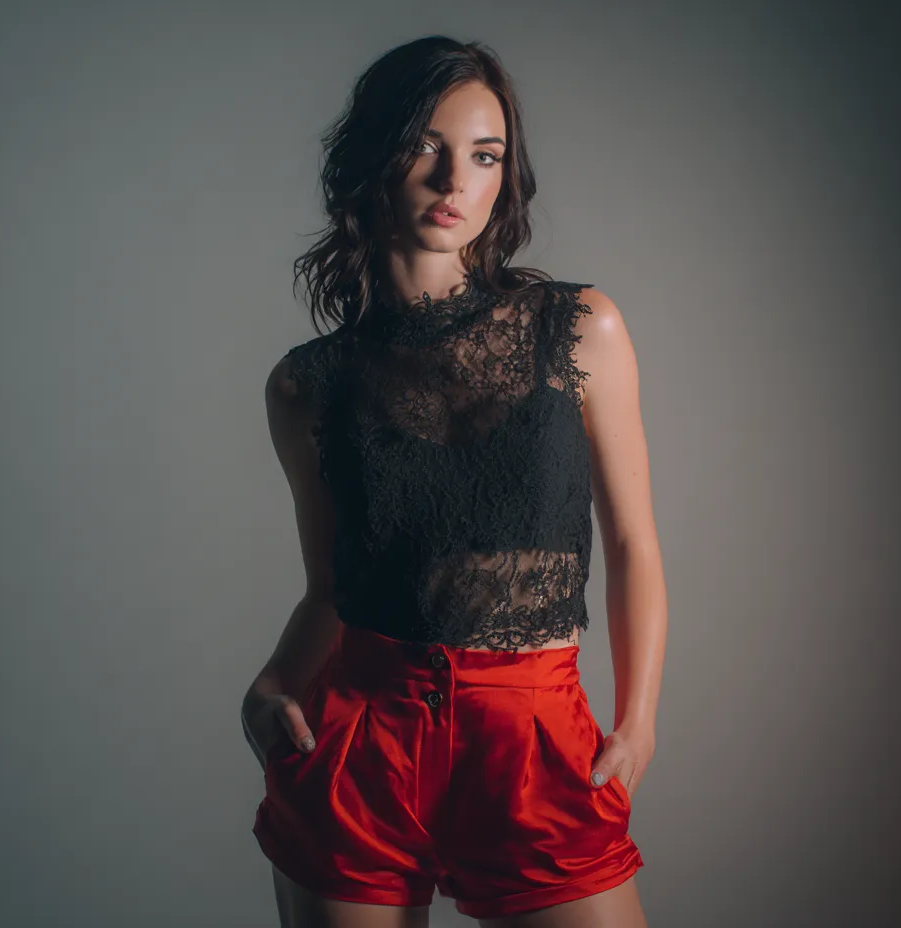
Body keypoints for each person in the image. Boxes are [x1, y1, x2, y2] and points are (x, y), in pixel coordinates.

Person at [240, 35, 668, 928]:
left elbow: (632, 544)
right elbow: (332, 587)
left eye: (484, 156)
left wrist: (638, 723)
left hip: (532, 736)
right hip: (360, 739)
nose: (454, 181)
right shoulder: (304, 384)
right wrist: (274, 684)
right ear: (372, 157)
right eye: (425, 147)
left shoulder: (580, 328)